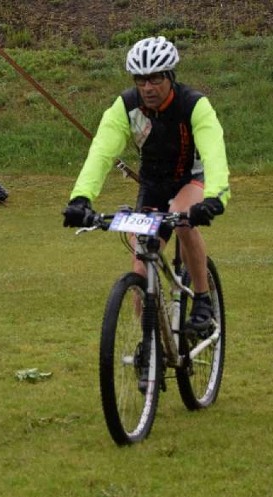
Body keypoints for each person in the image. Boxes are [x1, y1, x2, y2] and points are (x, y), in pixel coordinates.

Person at [62, 36, 230, 332]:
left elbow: (214, 151)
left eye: (155, 79)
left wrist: (215, 198)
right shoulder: (126, 106)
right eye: (141, 80)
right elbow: (102, 151)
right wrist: (81, 198)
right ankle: (151, 351)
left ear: (170, 76)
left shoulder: (193, 105)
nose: (147, 87)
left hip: (190, 180)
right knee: (140, 270)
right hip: (153, 186)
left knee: (182, 219)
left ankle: (202, 299)